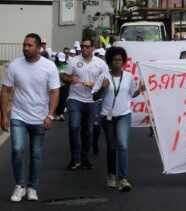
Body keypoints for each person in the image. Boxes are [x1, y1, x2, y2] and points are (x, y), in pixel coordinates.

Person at [1, 33, 60, 202]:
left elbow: (55, 92)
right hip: (19, 115)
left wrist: (50, 114)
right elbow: (5, 90)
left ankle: (32, 187)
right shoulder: (14, 65)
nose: (25, 48)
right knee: (17, 149)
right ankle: (19, 186)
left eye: (29, 45)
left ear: (39, 47)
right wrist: (4, 114)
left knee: (36, 153)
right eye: (24, 45)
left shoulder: (49, 67)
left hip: (40, 118)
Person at [92, 46, 143, 192]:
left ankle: (123, 179)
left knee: (123, 145)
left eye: (120, 60)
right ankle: (111, 175)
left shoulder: (128, 76)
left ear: (124, 62)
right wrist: (102, 88)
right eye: (114, 60)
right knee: (112, 147)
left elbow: (132, 94)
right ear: (109, 62)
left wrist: (140, 89)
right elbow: (94, 97)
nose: (117, 62)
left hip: (124, 115)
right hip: (107, 116)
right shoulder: (103, 77)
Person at [62, 39, 108, 170]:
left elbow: (106, 80)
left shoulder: (100, 63)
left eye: (87, 47)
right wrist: (71, 79)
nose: (84, 49)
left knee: (88, 130)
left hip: (92, 100)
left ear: (93, 48)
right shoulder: (73, 60)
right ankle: (75, 158)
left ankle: (85, 158)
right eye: (82, 46)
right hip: (75, 98)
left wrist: (97, 85)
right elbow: (64, 77)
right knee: (74, 126)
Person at [55, 52, 69, 121]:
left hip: (64, 84)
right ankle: (57, 114)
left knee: (63, 99)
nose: (61, 62)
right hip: (56, 85)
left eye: (62, 60)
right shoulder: (53, 65)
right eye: (60, 60)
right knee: (57, 99)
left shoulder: (66, 66)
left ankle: (61, 114)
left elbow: (69, 75)